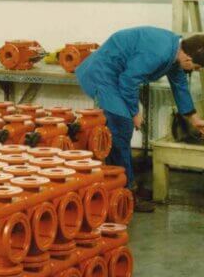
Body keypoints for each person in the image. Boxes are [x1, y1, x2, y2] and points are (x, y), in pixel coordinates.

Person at [75, 26, 204, 213]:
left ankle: (123, 182)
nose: (194, 70)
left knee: (121, 126)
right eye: (196, 67)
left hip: (117, 76)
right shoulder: (160, 53)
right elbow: (129, 80)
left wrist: (194, 118)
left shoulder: (175, 51)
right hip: (103, 74)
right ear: (188, 58)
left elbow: (180, 85)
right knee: (121, 126)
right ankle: (125, 193)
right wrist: (135, 113)